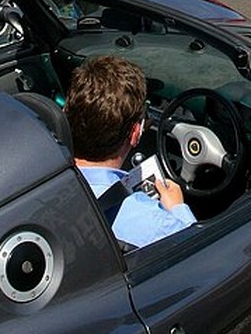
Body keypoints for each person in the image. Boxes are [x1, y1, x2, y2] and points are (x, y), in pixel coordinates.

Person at [65, 56, 196, 249]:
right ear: (136, 133)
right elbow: (196, 253)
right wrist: (178, 209)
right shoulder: (157, 224)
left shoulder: (38, 172)